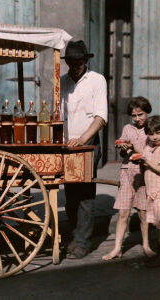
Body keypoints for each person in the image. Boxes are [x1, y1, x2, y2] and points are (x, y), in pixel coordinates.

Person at [60, 40, 108, 259]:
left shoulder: (97, 80)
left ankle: (82, 241)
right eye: (71, 62)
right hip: (66, 144)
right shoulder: (62, 82)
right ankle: (74, 235)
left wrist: (82, 139)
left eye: (78, 62)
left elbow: (100, 117)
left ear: (86, 60)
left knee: (86, 194)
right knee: (70, 194)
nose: (75, 66)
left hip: (88, 143)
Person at [102, 97, 155, 260]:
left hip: (144, 174)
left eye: (141, 114)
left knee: (143, 212)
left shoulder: (152, 129)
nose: (137, 118)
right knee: (123, 212)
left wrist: (134, 147)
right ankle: (117, 248)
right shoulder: (127, 128)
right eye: (134, 115)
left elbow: (148, 154)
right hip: (127, 172)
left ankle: (146, 245)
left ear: (147, 113)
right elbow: (123, 152)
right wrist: (123, 148)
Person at [137, 116, 160, 267]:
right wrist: (140, 158)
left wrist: (146, 161)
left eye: (158, 132)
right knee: (158, 224)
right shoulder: (150, 146)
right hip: (153, 192)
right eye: (151, 133)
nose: (155, 137)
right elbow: (145, 157)